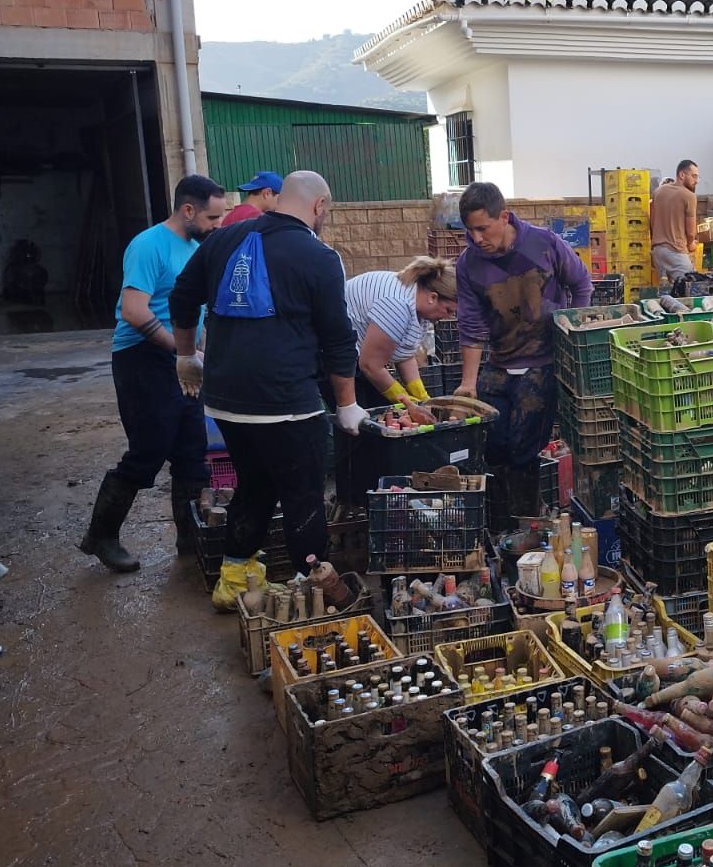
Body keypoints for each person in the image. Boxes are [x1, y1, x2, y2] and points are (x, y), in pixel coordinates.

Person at [169, 170, 362, 611]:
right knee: (304, 496)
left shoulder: (223, 239)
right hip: (286, 405)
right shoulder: (320, 256)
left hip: (225, 403)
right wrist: (348, 404)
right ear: (318, 206)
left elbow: (182, 297)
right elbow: (338, 338)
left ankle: (234, 581)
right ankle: (311, 593)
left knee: (254, 486)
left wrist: (186, 355)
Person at [79, 174, 226, 574]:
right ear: (188, 209)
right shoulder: (148, 245)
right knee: (148, 451)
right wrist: (183, 352)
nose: (218, 225)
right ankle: (101, 535)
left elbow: (200, 312)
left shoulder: (198, 247)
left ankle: (190, 539)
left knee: (192, 451)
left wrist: (202, 353)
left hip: (183, 356)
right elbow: (134, 310)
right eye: (213, 217)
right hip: (142, 358)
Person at [454, 181, 592, 527]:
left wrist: (571, 338)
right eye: (469, 230)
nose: (476, 237)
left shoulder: (543, 244)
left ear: (504, 217)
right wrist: (468, 384)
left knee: (523, 450)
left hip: (543, 362)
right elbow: (471, 325)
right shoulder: (469, 264)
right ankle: (500, 525)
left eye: (482, 228)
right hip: (499, 363)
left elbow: (581, 285)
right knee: (492, 444)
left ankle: (527, 524)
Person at [345, 259, 457, 413]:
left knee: (388, 411)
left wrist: (422, 398)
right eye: (448, 310)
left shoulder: (419, 305)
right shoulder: (397, 306)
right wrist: (407, 402)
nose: (448, 316)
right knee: (364, 424)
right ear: (433, 297)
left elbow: (404, 354)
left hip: (360, 356)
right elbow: (370, 366)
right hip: (338, 355)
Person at [650, 159, 700, 282]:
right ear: (682, 175)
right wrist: (690, 244)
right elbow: (690, 232)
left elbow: (652, 222)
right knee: (689, 286)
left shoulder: (658, 192)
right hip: (675, 251)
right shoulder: (689, 196)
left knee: (668, 291)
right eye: (694, 176)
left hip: (657, 251)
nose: (696, 181)